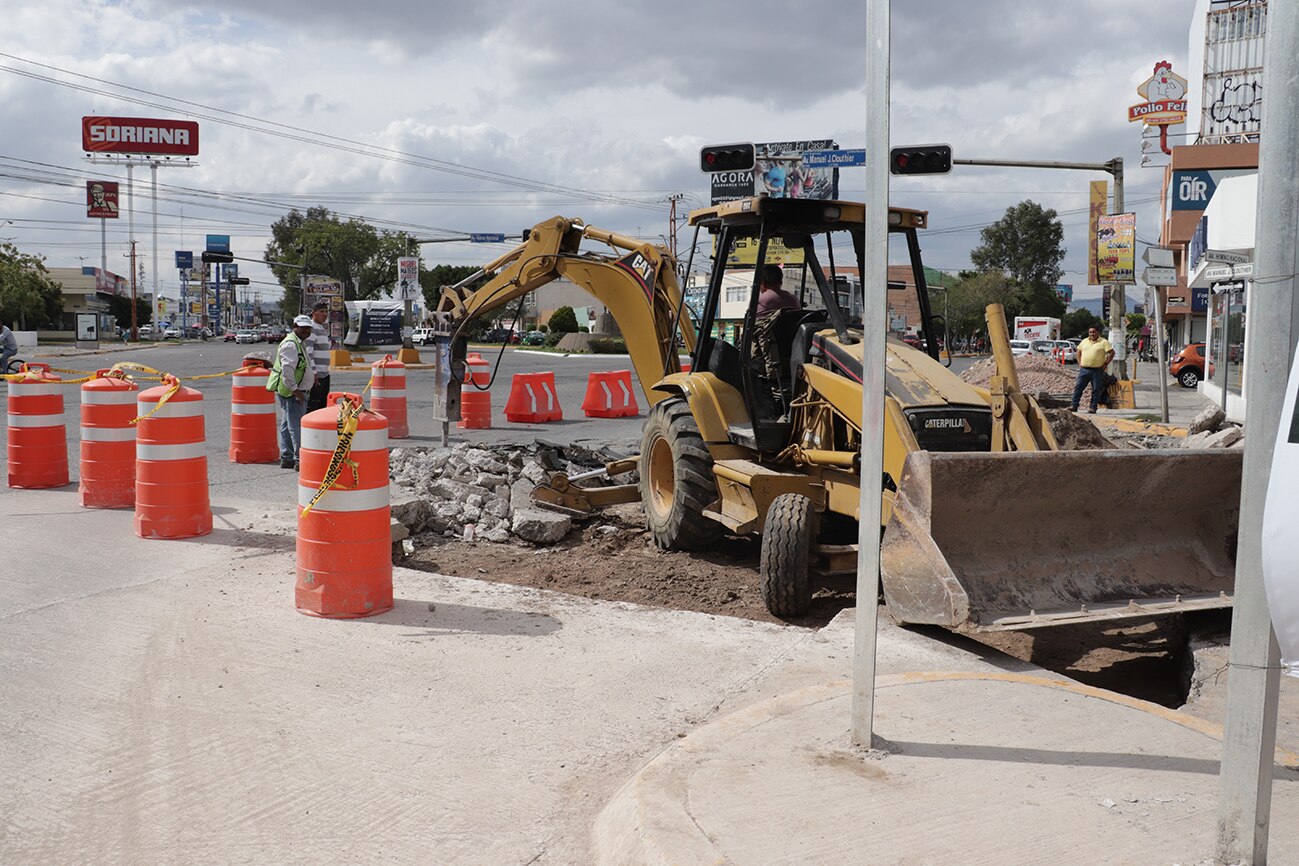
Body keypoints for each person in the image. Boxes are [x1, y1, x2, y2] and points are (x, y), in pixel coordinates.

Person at [266, 315, 317, 470]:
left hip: (295, 390)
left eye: (308, 328)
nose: (306, 331)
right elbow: (287, 372)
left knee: (287, 425)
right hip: (293, 392)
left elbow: (302, 365)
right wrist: (296, 391)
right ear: (295, 327)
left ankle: (287, 457)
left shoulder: (298, 342)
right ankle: (299, 459)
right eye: (302, 328)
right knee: (296, 427)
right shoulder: (291, 344)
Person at [753, 264, 801, 417]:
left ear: (762, 282)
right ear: (780, 280)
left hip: (771, 361)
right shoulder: (793, 300)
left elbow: (754, 332)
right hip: (793, 357)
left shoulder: (761, 301)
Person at [1071, 325, 1114, 414]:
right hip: (1084, 370)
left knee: (1096, 389)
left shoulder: (1103, 342)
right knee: (1078, 387)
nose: (1092, 334)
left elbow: (1111, 352)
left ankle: (1093, 407)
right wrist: (1080, 363)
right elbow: (1078, 351)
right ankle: (1074, 405)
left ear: (1098, 332)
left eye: (1094, 332)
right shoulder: (1084, 341)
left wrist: (1105, 363)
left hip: (1097, 370)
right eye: (1090, 332)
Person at [305, 300, 334, 412]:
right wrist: (314, 372)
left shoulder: (321, 328)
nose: (325, 314)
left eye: (326, 311)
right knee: (313, 406)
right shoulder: (312, 328)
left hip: (325, 374)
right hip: (317, 376)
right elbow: (308, 352)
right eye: (321, 311)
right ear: (314, 313)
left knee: (322, 406)